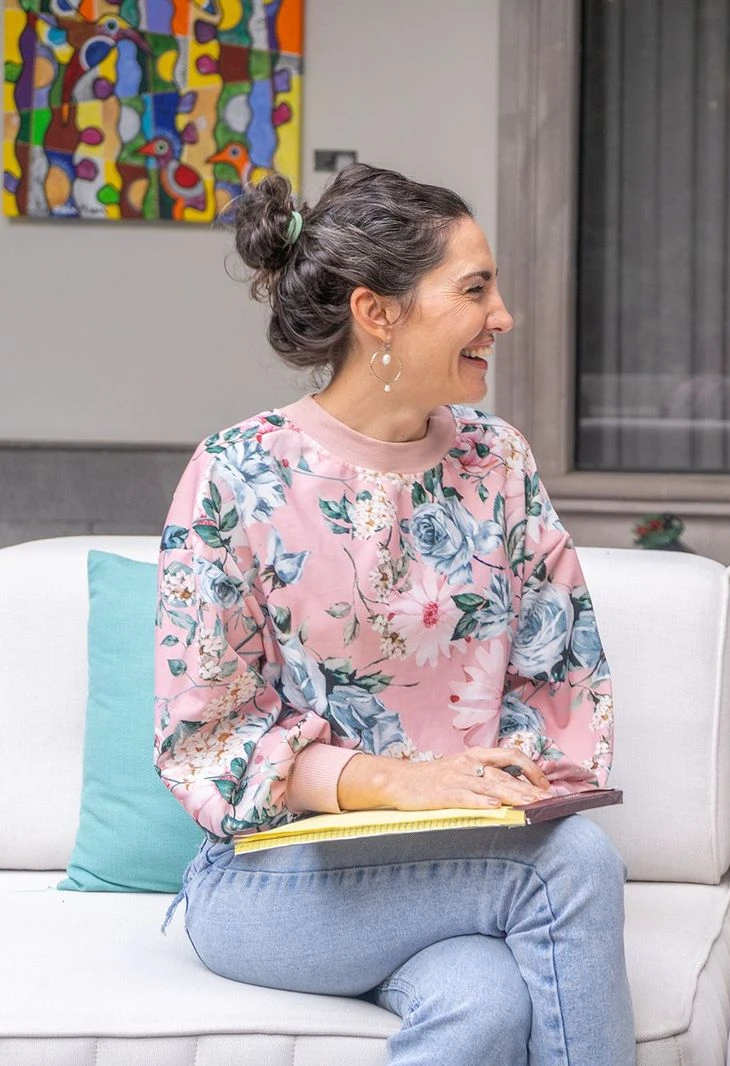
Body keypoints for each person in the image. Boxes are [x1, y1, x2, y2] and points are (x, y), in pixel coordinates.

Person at [154, 164, 635, 1065]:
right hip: (273, 879)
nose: (504, 316)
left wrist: (497, 785)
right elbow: (205, 738)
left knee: (484, 1004)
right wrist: (396, 781)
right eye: (475, 289)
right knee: (575, 865)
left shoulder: (498, 461)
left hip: (454, 865)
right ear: (379, 313)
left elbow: (559, 669)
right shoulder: (236, 475)